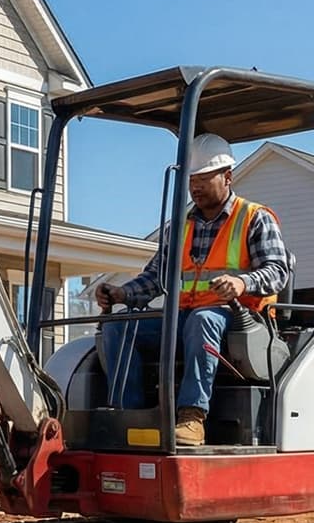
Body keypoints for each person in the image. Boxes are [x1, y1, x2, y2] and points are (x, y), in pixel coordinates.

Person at [94, 133, 291, 445]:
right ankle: (127, 412)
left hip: (243, 320)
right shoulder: (180, 227)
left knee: (204, 320)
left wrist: (241, 282)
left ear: (227, 177)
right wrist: (121, 294)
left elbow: (278, 270)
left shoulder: (255, 218)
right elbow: (156, 277)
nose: (195, 186)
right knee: (121, 327)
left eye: (203, 178)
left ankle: (192, 416)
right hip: (185, 316)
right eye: (191, 179)